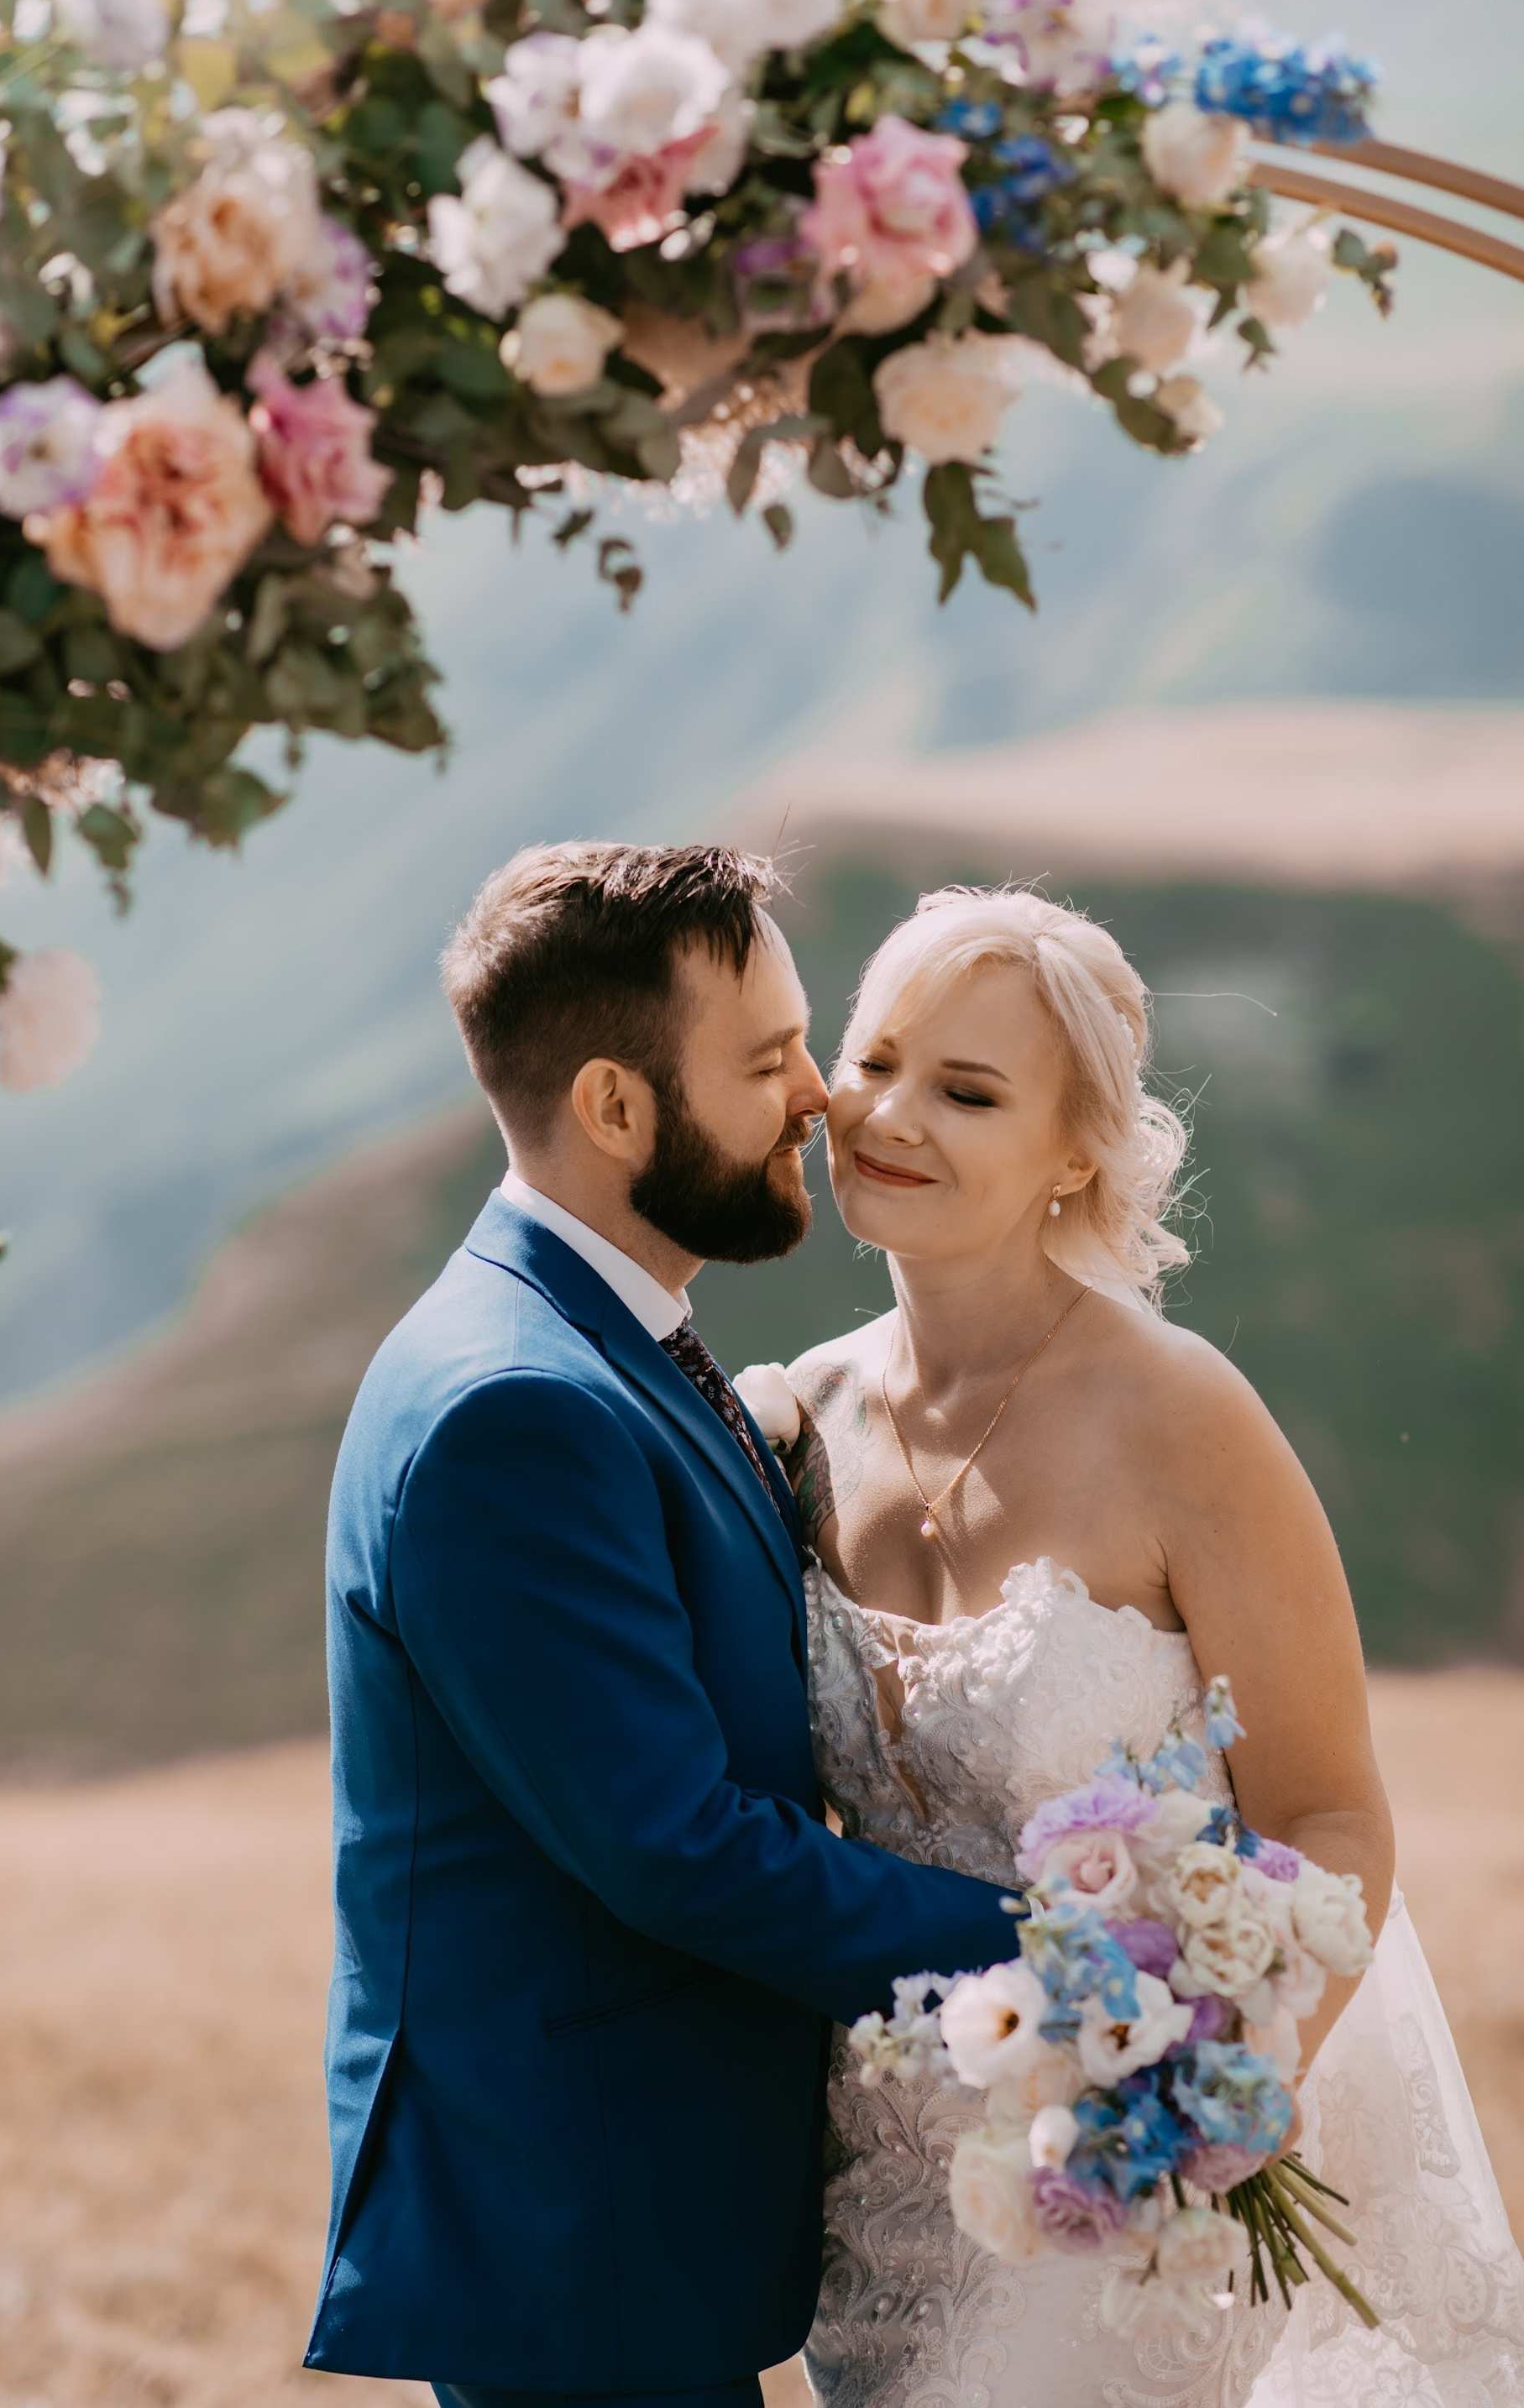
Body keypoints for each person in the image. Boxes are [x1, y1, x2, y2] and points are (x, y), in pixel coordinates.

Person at [780, 884, 1524, 2406]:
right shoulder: (801, 1417)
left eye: (967, 1091)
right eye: (875, 1061)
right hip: (887, 2179)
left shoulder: (1183, 1418)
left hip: (1146, 2184)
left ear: (1075, 1155)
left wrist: (1200, 2110)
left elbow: (1329, 1813)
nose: (890, 1115)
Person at [304, 844, 1026, 2408]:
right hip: (582, 2218)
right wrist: (1057, 1952)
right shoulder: (514, 1410)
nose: (820, 1098)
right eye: (766, 1063)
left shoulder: (589, 1341)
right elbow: (676, 1845)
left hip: (627, 2208)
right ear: (616, 1108)